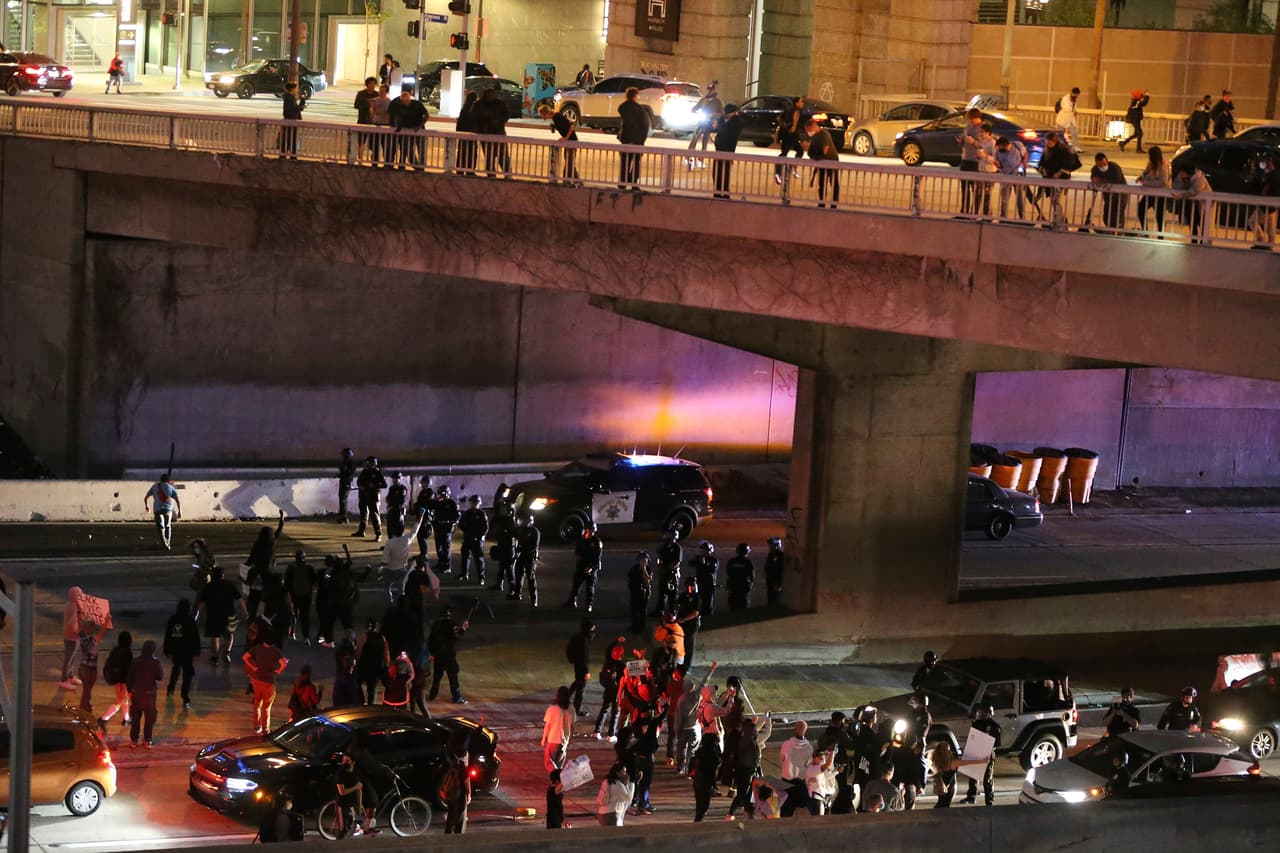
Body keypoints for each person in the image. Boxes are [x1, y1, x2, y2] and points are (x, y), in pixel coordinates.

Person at [244, 630, 288, 734]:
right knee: (266, 707)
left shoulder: (257, 648)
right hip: (269, 681)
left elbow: (245, 657)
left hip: (257, 679)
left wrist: (253, 667)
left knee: (257, 703)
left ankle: (256, 725)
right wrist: (278, 671)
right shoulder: (275, 651)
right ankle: (265, 729)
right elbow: (283, 664)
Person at [428, 605, 469, 703]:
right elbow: (457, 636)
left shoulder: (435, 624)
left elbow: (430, 640)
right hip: (449, 655)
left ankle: (432, 695)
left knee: (437, 676)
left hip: (438, 654)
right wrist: (463, 629)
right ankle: (457, 697)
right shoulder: (452, 624)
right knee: (453, 676)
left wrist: (432, 653)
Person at [126, 639, 163, 748]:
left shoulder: (135, 661)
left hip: (137, 693)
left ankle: (134, 741)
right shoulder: (155, 662)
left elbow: (129, 677)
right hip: (149, 695)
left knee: (135, 719)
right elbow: (159, 676)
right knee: (149, 720)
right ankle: (147, 740)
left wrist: (129, 691)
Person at [163, 598, 200, 710]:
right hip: (187, 652)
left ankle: (171, 688)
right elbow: (195, 637)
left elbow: (169, 635)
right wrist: (196, 650)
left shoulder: (174, 619)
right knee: (187, 675)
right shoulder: (190, 621)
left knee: (176, 669)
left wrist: (167, 649)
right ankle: (185, 697)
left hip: (177, 650)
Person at [961, 704, 1001, 805]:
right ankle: (971, 797)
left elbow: (997, 743)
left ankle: (989, 801)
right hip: (976, 752)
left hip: (987, 754)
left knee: (987, 779)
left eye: (981, 713)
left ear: (988, 713)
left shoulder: (994, 727)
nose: (979, 714)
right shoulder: (976, 723)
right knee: (973, 776)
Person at [99, 631, 133, 732]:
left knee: (124, 700)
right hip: (123, 681)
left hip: (116, 679)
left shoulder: (115, 650)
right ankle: (103, 719)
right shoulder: (128, 652)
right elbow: (129, 668)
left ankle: (126, 719)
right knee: (119, 702)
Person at [539, 101, 580, 185]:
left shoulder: (558, 117)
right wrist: (552, 128)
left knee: (569, 162)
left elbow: (571, 126)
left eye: (542, 115)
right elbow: (559, 128)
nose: (541, 117)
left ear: (546, 113)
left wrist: (566, 138)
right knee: (569, 161)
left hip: (572, 141)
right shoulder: (555, 118)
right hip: (570, 141)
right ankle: (571, 180)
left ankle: (570, 180)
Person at [803, 116, 840, 209]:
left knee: (834, 183)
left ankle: (834, 203)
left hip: (831, 160)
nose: (808, 132)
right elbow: (811, 152)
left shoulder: (824, 135)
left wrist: (816, 156)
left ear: (814, 126)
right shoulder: (814, 137)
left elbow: (825, 151)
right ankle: (822, 202)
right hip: (822, 162)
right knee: (822, 183)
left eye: (809, 130)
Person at [617, 87, 650, 189]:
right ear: (636, 96)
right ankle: (633, 182)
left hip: (626, 139)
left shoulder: (623, 107)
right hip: (637, 140)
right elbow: (645, 125)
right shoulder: (640, 109)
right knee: (636, 162)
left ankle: (623, 181)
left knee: (624, 161)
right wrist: (642, 139)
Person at [566, 522, 603, 612]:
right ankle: (572, 601)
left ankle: (589, 605)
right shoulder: (582, 540)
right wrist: (578, 556)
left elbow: (597, 557)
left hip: (591, 566)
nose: (588, 532)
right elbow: (577, 551)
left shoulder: (597, 542)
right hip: (581, 565)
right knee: (576, 584)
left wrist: (591, 567)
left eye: (590, 530)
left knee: (590, 587)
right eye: (587, 530)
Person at [594, 636, 626, 740]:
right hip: (617, 692)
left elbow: (608, 649)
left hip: (608, 689)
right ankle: (611, 734)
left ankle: (597, 731)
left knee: (604, 709)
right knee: (615, 713)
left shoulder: (608, 661)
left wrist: (616, 640)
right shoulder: (622, 666)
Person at [779, 720, 813, 817]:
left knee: (785, 811)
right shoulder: (809, 748)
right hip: (800, 782)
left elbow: (782, 758)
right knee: (803, 809)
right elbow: (808, 764)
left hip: (786, 780)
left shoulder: (787, 744)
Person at [476, 87, 511, 177]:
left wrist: (498, 122)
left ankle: (507, 174)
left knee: (502, 156)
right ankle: (492, 175)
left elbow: (506, 115)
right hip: (487, 134)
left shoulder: (499, 104)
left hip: (498, 133)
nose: (490, 97)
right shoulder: (479, 105)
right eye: (488, 95)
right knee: (490, 157)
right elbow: (475, 118)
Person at [1173, 162, 1212, 244]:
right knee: (1191, 220)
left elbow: (1194, 191)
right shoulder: (1184, 178)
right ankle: (1194, 239)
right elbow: (1175, 186)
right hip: (1190, 203)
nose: (1180, 173)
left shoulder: (1199, 178)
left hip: (1201, 205)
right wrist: (1181, 179)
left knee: (1201, 221)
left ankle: (1204, 240)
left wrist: (1181, 195)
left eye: (1182, 172)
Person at [389, 90, 429, 170]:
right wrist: (398, 127)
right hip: (407, 129)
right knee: (408, 148)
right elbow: (398, 118)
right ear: (402, 101)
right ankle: (416, 166)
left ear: (410, 98)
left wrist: (419, 126)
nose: (406, 103)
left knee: (421, 149)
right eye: (404, 102)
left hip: (419, 129)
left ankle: (421, 166)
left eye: (407, 101)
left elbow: (427, 115)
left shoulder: (417, 104)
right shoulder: (400, 106)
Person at [1136, 146, 1171, 235]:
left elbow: (1163, 182)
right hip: (1150, 193)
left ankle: (1160, 234)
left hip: (1161, 194)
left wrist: (1146, 183)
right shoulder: (1151, 164)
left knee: (1159, 215)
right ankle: (1145, 231)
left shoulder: (1163, 166)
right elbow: (1147, 173)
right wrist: (1142, 177)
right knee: (1141, 208)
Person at [956, 107, 985, 215]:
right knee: (965, 187)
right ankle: (964, 211)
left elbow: (984, 145)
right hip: (965, 159)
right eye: (969, 119)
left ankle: (975, 212)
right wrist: (960, 140)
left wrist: (974, 142)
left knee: (976, 189)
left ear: (977, 118)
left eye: (972, 119)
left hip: (976, 161)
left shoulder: (983, 129)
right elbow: (963, 138)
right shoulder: (968, 127)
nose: (971, 121)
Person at [1090, 152, 1128, 231]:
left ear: (1107, 161)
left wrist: (1101, 180)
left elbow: (1116, 181)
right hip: (1108, 196)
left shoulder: (1114, 167)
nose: (1102, 167)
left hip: (1120, 195)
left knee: (1117, 215)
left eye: (1104, 164)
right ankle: (1109, 230)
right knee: (1107, 216)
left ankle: (1118, 231)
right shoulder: (1095, 169)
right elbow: (1093, 178)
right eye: (1100, 165)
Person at [993, 135, 1028, 221]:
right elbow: (998, 164)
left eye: (1001, 147)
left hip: (1017, 175)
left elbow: (1025, 153)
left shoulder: (1017, 145)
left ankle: (1022, 217)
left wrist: (1024, 162)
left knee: (1019, 197)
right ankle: (1003, 216)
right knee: (1004, 198)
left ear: (1007, 145)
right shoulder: (998, 152)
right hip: (1005, 176)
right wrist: (997, 164)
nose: (1000, 149)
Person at [687, 81, 723, 166]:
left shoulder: (718, 102)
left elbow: (721, 113)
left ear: (714, 90)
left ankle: (701, 160)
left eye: (711, 90)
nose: (710, 91)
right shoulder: (703, 100)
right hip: (701, 121)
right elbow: (695, 108)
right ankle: (688, 156)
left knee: (705, 141)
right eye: (709, 89)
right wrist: (693, 110)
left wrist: (714, 115)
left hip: (709, 123)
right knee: (695, 138)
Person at [76, 620, 108, 713]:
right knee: (87, 690)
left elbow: (80, 627)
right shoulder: (91, 640)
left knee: (86, 689)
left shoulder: (82, 637)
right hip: (90, 668)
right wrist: (106, 622)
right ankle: (83, 709)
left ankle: (88, 706)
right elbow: (100, 634)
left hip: (83, 666)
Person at [711, 103, 742, 198]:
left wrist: (719, 128)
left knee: (725, 172)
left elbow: (729, 134)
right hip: (719, 149)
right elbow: (717, 131)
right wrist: (714, 128)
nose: (724, 114)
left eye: (727, 112)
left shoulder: (737, 122)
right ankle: (717, 190)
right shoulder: (721, 119)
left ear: (732, 113)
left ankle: (724, 192)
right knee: (716, 171)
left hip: (728, 149)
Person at [284, 551, 316, 644]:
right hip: (306, 596)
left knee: (293, 614)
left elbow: (287, 583)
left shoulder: (291, 569)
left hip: (294, 595)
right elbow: (313, 581)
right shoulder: (309, 568)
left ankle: (291, 632)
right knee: (305, 616)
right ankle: (306, 636)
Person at [356, 619, 389, 704]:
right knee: (372, 689)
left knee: (357, 684)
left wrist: (356, 662)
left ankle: (361, 702)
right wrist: (386, 666)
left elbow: (358, 652)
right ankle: (371, 706)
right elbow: (386, 654)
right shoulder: (382, 638)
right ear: (376, 627)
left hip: (364, 666)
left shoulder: (363, 636)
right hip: (376, 667)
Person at [774, 95, 806, 186]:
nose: (803, 103)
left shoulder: (790, 109)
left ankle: (783, 171)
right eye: (801, 102)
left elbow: (779, 118)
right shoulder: (795, 111)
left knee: (790, 152)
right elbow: (794, 126)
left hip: (787, 134)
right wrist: (791, 128)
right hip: (789, 134)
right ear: (797, 103)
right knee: (794, 151)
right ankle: (784, 170)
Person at [566, 619, 595, 716]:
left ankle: (566, 697)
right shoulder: (584, 641)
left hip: (577, 665)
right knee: (580, 689)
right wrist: (586, 671)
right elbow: (584, 657)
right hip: (581, 667)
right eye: (592, 629)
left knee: (577, 682)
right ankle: (576, 710)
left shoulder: (578, 637)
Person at [144, 474, 181, 550]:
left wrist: (147, 506)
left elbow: (146, 497)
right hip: (168, 509)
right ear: (168, 480)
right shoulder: (171, 487)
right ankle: (168, 543)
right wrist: (179, 511)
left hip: (157, 509)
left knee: (160, 527)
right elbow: (177, 499)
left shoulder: (155, 486)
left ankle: (164, 544)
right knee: (168, 526)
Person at [488, 499, 518, 594]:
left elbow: (514, 534)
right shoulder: (500, 518)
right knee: (501, 566)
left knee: (508, 567)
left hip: (509, 546)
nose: (502, 509)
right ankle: (499, 584)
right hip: (501, 544)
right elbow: (492, 526)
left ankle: (512, 587)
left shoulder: (511, 520)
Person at [352, 457, 386, 539]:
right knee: (363, 514)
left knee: (374, 514)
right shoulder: (364, 471)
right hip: (363, 495)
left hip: (373, 496)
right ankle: (361, 531)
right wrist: (361, 486)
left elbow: (384, 485)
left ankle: (378, 533)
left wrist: (374, 486)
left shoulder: (377, 473)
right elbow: (359, 481)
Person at [457, 495, 488, 583]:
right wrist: (466, 530)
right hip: (468, 537)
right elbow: (461, 524)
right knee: (465, 556)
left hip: (477, 540)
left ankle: (481, 577)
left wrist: (479, 536)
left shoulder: (481, 514)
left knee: (479, 559)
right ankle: (464, 574)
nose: (474, 504)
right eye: (473, 502)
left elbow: (485, 528)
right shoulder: (467, 513)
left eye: (476, 502)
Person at [542, 686, 574, 771]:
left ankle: (556, 780)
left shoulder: (552, 708)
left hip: (553, 740)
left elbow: (547, 726)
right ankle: (558, 781)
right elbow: (572, 726)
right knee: (559, 765)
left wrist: (543, 739)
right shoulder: (571, 709)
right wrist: (569, 741)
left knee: (549, 763)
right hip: (564, 741)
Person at [1252, 151, 1279, 249]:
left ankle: (1263, 242)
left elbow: (1267, 190)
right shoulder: (1268, 174)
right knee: (1269, 227)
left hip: (1268, 206)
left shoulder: (1274, 175)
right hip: (1269, 206)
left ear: (1270, 162)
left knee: (1253, 222)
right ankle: (1267, 244)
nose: (1262, 163)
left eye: (1264, 161)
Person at [431, 485, 460, 576]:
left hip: (446, 528)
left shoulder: (451, 503)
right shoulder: (438, 503)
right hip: (438, 527)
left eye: (443, 494)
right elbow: (431, 506)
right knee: (438, 547)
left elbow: (457, 516)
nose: (442, 496)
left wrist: (451, 523)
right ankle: (440, 563)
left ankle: (447, 566)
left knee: (445, 548)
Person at [512, 511, 541, 606]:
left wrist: (522, 549)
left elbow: (534, 546)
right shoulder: (521, 530)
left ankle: (534, 598)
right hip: (522, 555)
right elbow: (514, 534)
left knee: (530, 577)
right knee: (518, 573)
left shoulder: (535, 531)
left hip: (531, 556)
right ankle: (517, 593)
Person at [334, 751, 365, 836]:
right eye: (343, 760)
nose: (344, 763)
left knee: (351, 828)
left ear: (353, 762)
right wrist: (356, 787)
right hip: (342, 805)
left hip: (352, 804)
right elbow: (342, 792)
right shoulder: (341, 774)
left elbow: (359, 790)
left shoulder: (356, 772)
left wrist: (359, 805)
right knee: (343, 830)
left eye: (347, 761)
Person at [652, 530, 682, 616]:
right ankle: (659, 611)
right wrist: (660, 568)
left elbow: (677, 562)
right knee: (662, 593)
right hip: (663, 572)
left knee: (672, 594)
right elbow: (659, 557)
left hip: (672, 574)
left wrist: (668, 569)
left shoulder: (677, 548)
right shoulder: (664, 547)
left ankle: (672, 612)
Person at [60, 586, 84, 689]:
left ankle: (70, 676)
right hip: (72, 636)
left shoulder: (71, 604)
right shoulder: (73, 606)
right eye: (79, 594)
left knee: (72, 657)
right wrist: (78, 631)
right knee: (69, 658)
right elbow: (73, 622)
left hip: (71, 635)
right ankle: (64, 680)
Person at [675, 576, 701, 671]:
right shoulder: (683, 596)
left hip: (691, 625)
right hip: (681, 626)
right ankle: (679, 666)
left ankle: (686, 668)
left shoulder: (697, 597)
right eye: (690, 585)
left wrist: (684, 619)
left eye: (693, 585)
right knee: (680, 646)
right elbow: (677, 606)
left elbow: (696, 612)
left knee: (688, 647)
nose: (691, 587)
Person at [441, 752, 471, 834]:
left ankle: (448, 831)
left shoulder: (451, 766)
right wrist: (468, 794)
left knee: (451, 812)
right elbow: (466, 781)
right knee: (460, 814)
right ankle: (458, 832)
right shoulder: (462, 767)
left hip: (450, 792)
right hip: (460, 793)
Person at [353, 78, 379, 162]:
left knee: (374, 142)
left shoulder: (377, 94)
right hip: (362, 119)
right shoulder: (361, 94)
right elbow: (356, 105)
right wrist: (367, 104)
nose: (372, 86)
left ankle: (373, 159)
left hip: (373, 121)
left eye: (373, 84)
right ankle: (360, 158)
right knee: (361, 141)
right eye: (370, 84)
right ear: (367, 84)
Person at [456, 89, 481, 175]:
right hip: (471, 135)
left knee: (462, 152)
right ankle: (470, 170)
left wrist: (458, 133)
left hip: (464, 135)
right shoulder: (475, 109)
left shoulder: (464, 109)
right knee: (471, 152)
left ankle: (460, 169)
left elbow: (459, 123)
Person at [724, 543, 754, 611]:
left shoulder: (731, 561)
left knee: (732, 607)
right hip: (743, 589)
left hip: (733, 587)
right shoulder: (748, 562)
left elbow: (728, 573)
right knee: (743, 608)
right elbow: (752, 577)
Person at [628, 550, 652, 633]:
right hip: (635, 592)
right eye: (642, 560)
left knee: (642, 610)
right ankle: (634, 626)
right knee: (634, 610)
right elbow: (630, 579)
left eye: (645, 560)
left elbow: (648, 580)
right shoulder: (634, 569)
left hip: (644, 593)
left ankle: (641, 628)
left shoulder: (648, 570)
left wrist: (644, 569)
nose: (644, 562)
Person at [279, 82, 304, 159]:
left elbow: (295, 108)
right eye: (295, 89)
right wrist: (302, 105)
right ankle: (291, 155)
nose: (296, 90)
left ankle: (285, 154)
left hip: (289, 120)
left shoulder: (289, 97)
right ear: (292, 89)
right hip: (291, 121)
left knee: (288, 138)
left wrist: (302, 101)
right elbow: (294, 109)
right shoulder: (289, 98)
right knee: (291, 138)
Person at [371, 84, 393, 167]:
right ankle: (374, 162)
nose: (381, 92)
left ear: (386, 92)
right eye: (380, 90)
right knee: (375, 145)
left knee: (385, 145)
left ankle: (387, 163)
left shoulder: (389, 102)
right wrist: (373, 111)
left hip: (385, 124)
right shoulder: (375, 100)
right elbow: (372, 111)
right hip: (377, 123)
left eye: (383, 91)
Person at [1055, 86, 1080, 152]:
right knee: (1060, 135)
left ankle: (1074, 147)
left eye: (1077, 95)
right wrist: (1072, 109)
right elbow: (1066, 108)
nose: (1076, 96)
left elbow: (1074, 109)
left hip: (1070, 120)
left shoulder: (1074, 100)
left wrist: (1075, 111)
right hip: (1062, 120)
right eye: (1075, 95)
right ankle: (1059, 149)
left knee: (1074, 133)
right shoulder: (1065, 98)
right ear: (1072, 93)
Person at [385, 472, 408, 538]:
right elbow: (389, 497)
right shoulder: (391, 488)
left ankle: (398, 545)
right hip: (391, 510)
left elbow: (401, 501)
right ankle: (390, 544)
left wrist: (392, 504)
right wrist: (388, 501)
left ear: (400, 479)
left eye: (396, 478)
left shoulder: (402, 488)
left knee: (398, 528)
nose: (394, 480)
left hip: (398, 510)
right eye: (393, 479)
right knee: (390, 527)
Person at [763, 537, 784, 606]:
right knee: (770, 596)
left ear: (777, 546)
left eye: (771, 545)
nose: (770, 546)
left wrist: (779, 583)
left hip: (776, 581)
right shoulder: (771, 554)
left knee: (776, 597)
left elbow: (780, 570)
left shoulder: (780, 555)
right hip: (770, 580)